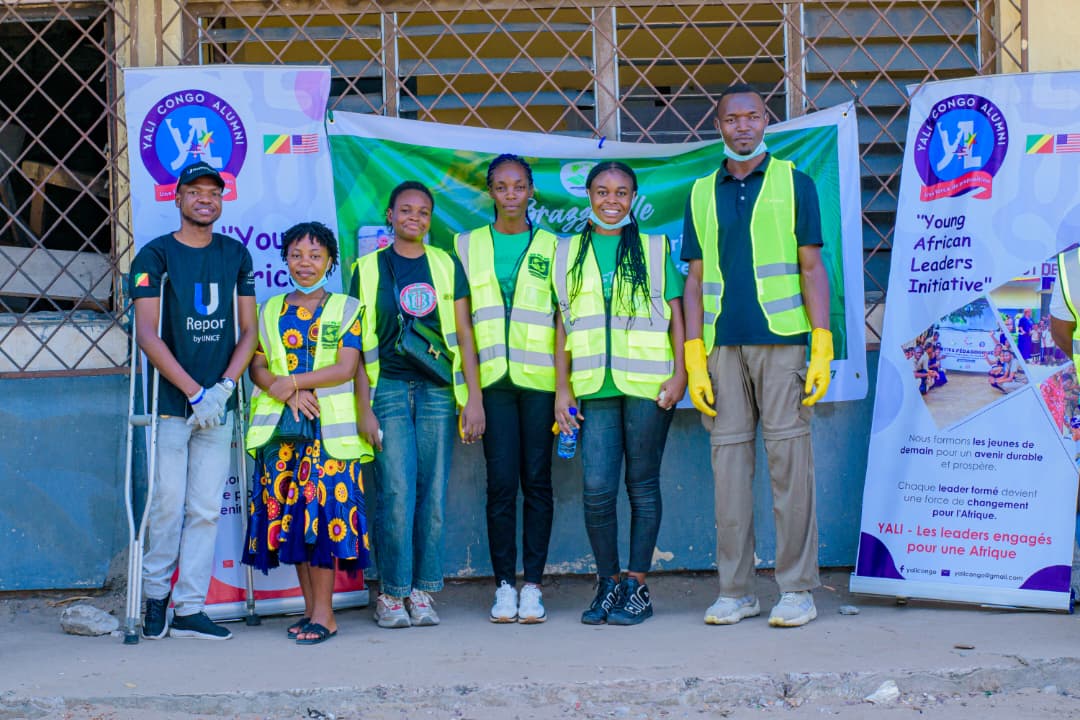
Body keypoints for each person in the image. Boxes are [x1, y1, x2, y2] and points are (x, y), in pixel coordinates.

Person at [681, 83, 832, 628]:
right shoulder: (700, 192)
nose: (742, 126)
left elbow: (812, 267)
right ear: (717, 125)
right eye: (731, 118)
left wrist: (821, 342)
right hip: (722, 349)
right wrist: (694, 352)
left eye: (752, 116)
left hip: (785, 344)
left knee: (791, 467)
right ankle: (736, 590)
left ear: (766, 120)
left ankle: (796, 590)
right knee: (729, 470)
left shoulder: (797, 183)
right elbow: (695, 280)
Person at [553, 160, 686, 626]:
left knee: (642, 486)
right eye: (603, 192)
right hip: (594, 386)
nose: (612, 201)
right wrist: (562, 387)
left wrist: (681, 374)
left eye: (622, 192)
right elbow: (562, 323)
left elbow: (676, 313)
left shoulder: (652, 247)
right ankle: (608, 582)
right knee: (596, 490)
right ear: (588, 196)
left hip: (649, 386)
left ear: (633, 198)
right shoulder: (566, 251)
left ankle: (637, 586)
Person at [130, 161, 258, 640]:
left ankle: (189, 607)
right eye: (196, 191)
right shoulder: (155, 256)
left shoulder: (234, 254)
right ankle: (156, 597)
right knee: (166, 502)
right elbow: (147, 333)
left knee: (205, 508)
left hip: (218, 402)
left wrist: (224, 387)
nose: (206, 199)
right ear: (177, 198)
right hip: (172, 400)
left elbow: (248, 331)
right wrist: (194, 390)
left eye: (213, 192)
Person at [350, 181, 485, 629]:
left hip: (436, 391)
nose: (414, 218)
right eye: (405, 210)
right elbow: (355, 342)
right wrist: (363, 407)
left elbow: (465, 333)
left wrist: (474, 400)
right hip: (386, 388)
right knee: (395, 492)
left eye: (423, 212)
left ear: (430, 219)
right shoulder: (367, 268)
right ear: (389, 216)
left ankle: (423, 591)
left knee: (433, 494)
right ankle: (391, 594)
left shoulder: (445, 264)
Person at [242, 221, 370, 645]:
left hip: (327, 435)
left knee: (322, 526)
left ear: (330, 261)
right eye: (297, 254)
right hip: (281, 433)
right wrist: (281, 390)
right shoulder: (270, 309)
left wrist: (292, 384)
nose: (305, 263)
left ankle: (326, 616)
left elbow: (346, 367)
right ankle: (309, 610)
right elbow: (257, 365)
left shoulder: (346, 307)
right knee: (295, 526)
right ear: (285, 259)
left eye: (315, 256)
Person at [454, 154, 559, 624]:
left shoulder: (556, 246)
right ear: (490, 192)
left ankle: (533, 585)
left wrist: (563, 391)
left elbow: (563, 321)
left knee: (537, 483)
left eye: (519, 187)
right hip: (492, 385)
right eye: (501, 187)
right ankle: (503, 585)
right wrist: (472, 397)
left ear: (531, 191)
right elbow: (463, 328)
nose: (511, 196)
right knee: (500, 487)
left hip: (541, 384)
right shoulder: (467, 245)